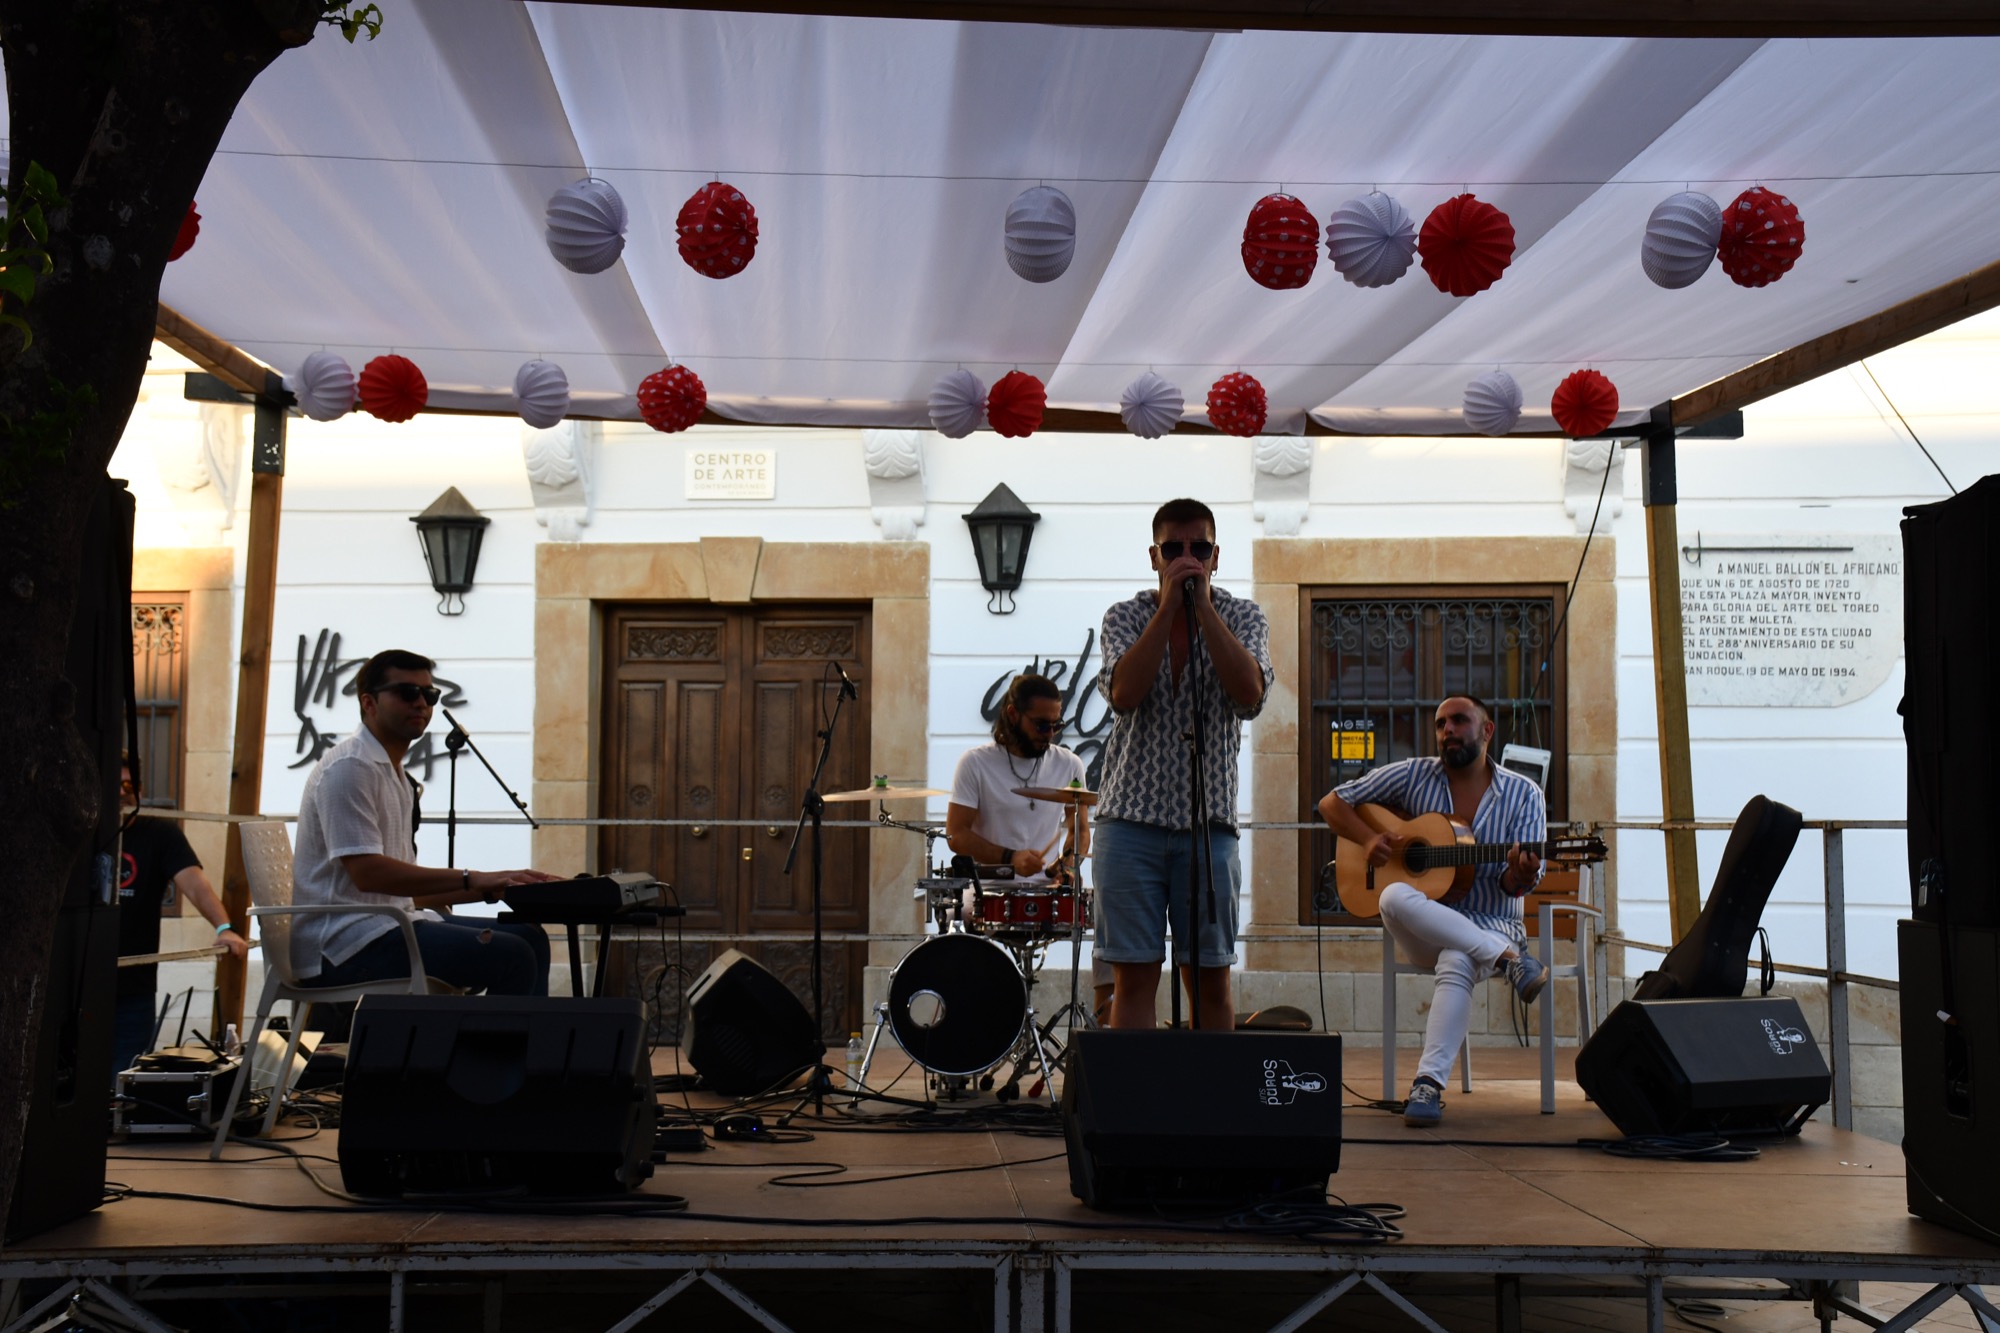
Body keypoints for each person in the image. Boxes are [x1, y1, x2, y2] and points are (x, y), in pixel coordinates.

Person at [1316, 695, 1547, 1127]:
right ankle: (1510, 962)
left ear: (1487, 730)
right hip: (1424, 929)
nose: (1448, 731)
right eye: (1441, 724)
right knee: (1391, 896)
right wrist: (1368, 839)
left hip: (1493, 924)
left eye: (1459, 721)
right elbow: (1332, 803)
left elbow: (1518, 885)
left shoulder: (1524, 794)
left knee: (1458, 957)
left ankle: (1427, 1085)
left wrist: (1519, 872)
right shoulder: (1413, 774)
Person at [1093, 498, 1272, 1032]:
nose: (1187, 559)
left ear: (1216, 556)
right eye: (1173, 549)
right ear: (1154, 556)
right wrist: (1169, 608)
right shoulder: (1125, 616)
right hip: (1130, 824)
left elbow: (1250, 696)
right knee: (1133, 981)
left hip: (1208, 827)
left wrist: (1205, 611)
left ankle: (1209, 1091)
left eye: (1199, 548)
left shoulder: (1244, 616)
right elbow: (1124, 694)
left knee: (1211, 981)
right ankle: (1138, 1090)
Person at [292, 650, 558, 996]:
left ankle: (501, 1033)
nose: (421, 703)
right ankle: (490, 1035)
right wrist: (472, 877)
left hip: (388, 925)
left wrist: (496, 887)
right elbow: (368, 874)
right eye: (407, 693)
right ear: (369, 703)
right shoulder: (349, 768)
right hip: (342, 946)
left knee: (530, 935)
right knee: (513, 955)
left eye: (429, 694)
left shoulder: (394, 773)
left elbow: (404, 891)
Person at [945, 673, 1108, 1015]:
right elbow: (956, 834)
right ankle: (969, 1015)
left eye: (1056, 725)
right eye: (1041, 725)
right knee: (958, 930)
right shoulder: (976, 762)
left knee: (1109, 916)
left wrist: (1066, 865)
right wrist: (1010, 857)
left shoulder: (1068, 764)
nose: (1050, 733)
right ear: (1012, 714)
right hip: (989, 887)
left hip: (1046, 888)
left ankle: (1105, 1019)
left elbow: (1079, 830)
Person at [112, 758, 250, 1081]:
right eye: (113, 784)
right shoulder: (80, 832)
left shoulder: (159, 833)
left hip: (134, 990)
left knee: (121, 1087)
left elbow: (195, 885)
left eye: (128, 785)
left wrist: (224, 928)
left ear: (140, 790)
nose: (121, 792)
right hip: (76, 987)